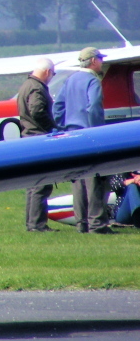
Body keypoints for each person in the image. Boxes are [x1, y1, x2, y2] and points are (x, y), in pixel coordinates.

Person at [53, 46, 114, 234]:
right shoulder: (93, 81)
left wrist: (63, 126)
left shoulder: (69, 80)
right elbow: (94, 105)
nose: (102, 62)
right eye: (100, 59)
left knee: (78, 179)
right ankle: (97, 223)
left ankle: (82, 223)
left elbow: (58, 107)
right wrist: (96, 130)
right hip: (89, 134)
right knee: (95, 178)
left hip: (72, 135)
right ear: (94, 61)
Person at [17, 57, 56, 232]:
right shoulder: (36, 87)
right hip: (38, 138)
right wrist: (53, 127)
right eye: (52, 74)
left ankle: (33, 224)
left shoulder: (26, 85)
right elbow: (37, 111)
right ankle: (38, 225)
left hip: (29, 137)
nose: (51, 77)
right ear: (47, 71)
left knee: (34, 185)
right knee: (42, 183)